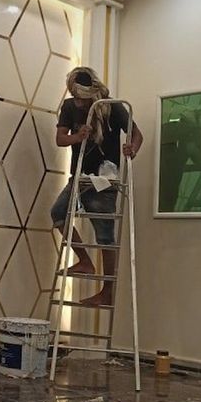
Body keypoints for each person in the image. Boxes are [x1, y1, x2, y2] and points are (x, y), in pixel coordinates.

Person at [50, 67, 143, 306]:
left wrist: (131, 149)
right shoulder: (70, 107)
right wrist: (77, 136)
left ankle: (107, 292)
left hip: (105, 178)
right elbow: (61, 139)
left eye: (81, 97)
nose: (79, 102)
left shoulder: (112, 107)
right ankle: (84, 260)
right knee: (58, 213)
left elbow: (136, 135)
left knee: (104, 235)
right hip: (79, 177)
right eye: (76, 97)